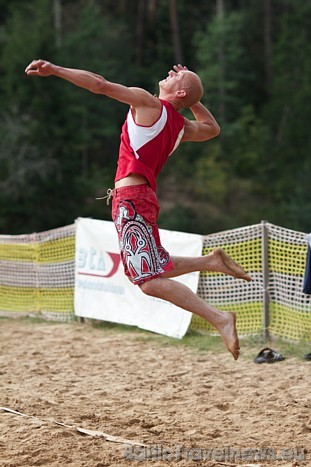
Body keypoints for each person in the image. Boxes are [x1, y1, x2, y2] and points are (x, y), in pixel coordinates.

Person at [25, 59, 252, 360]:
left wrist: (55, 70)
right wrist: (193, 97)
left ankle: (219, 318)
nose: (171, 72)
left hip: (132, 198)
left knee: (147, 281)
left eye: (178, 75)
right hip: (141, 196)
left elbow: (99, 84)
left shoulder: (147, 102)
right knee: (152, 265)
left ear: (180, 93)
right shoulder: (179, 126)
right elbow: (212, 129)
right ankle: (210, 261)